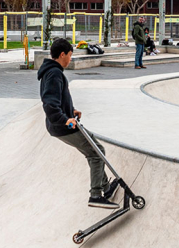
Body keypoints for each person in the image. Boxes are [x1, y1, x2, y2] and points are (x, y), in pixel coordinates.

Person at [38, 38, 119, 209]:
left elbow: (59, 98)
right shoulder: (55, 73)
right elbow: (49, 103)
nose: (70, 59)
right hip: (63, 126)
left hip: (63, 123)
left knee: (95, 150)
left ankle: (106, 188)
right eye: (69, 55)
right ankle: (96, 195)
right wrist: (64, 119)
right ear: (62, 54)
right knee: (97, 153)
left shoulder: (52, 71)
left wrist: (71, 110)